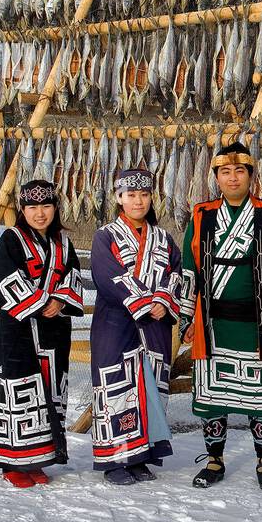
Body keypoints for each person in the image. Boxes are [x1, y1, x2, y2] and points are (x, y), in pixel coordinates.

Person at [178, 141, 262, 491]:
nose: (232, 177)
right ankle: (214, 459)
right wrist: (186, 318)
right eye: (225, 171)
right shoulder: (201, 215)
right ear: (216, 177)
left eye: (239, 171)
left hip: (258, 319)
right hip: (212, 324)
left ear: (251, 175)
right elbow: (189, 269)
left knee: (261, 401)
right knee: (212, 399)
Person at [0, 180, 85, 488]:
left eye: (46, 206)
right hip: (19, 329)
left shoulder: (63, 244)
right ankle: (13, 464)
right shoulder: (11, 239)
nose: (39, 213)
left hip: (54, 331)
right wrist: (43, 301)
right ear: (22, 210)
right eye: (32, 207)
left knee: (50, 394)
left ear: (55, 208)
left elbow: (74, 278)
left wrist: (60, 301)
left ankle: (38, 460)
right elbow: (1, 282)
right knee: (21, 393)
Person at [88, 168, 182, 486]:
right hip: (116, 323)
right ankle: (115, 460)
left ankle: (141, 455)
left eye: (143, 195)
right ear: (119, 198)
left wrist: (163, 300)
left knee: (149, 388)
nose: (138, 201)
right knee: (117, 389)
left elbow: (176, 273)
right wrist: (144, 302)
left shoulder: (164, 239)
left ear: (151, 197)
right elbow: (107, 274)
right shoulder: (105, 236)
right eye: (131, 195)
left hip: (154, 325)